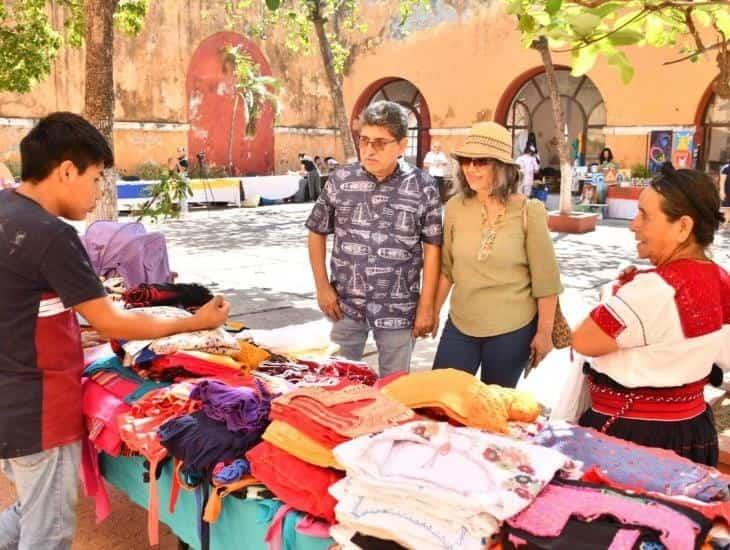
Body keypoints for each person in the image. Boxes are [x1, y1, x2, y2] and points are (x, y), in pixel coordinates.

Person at [0, 112, 230, 549]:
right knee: (47, 531)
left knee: (31, 508)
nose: (98, 191)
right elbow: (111, 321)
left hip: (11, 400)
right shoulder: (51, 234)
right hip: (36, 409)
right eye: (96, 177)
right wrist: (197, 321)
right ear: (66, 170)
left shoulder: (6, 208)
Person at [572, 164, 729, 466]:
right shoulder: (721, 280)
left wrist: (614, 295)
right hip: (694, 430)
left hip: (633, 437)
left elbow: (584, 340)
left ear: (683, 227)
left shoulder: (651, 290)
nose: (633, 225)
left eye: (644, 214)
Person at [306, 101, 442, 378]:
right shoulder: (341, 180)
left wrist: (427, 306)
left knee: (393, 389)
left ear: (402, 145)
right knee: (336, 383)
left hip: (399, 308)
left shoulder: (423, 186)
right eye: (364, 140)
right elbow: (316, 230)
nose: (369, 149)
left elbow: (432, 248)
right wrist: (321, 287)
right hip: (344, 306)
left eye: (380, 143)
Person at [432, 121, 563, 388]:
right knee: (441, 400)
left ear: (500, 166)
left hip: (512, 330)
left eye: (480, 161)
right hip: (461, 324)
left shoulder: (530, 211)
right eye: (466, 161)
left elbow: (545, 281)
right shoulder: (455, 207)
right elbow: (447, 269)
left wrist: (544, 333)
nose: (470, 168)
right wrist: (432, 312)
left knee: (494, 412)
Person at [720, 163, 730, 229]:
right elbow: (722, 181)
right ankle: (725, 224)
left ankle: (725, 223)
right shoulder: (726, 168)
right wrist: (722, 191)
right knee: (727, 208)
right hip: (727, 191)